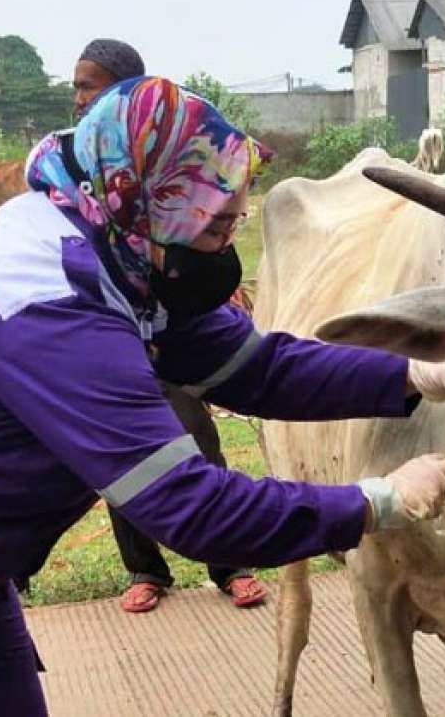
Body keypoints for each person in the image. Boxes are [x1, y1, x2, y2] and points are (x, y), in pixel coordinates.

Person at [0, 76, 445, 716]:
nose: (227, 247)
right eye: (216, 224)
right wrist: (377, 500)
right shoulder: (46, 301)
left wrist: (411, 375)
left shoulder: (126, 257)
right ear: (147, 204)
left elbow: (259, 368)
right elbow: (191, 506)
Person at [70, 38, 272, 612]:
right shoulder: (75, 173)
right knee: (119, 456)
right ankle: (146, 570)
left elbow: (214, 256)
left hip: (171, 334)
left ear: (125, 94)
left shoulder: (177, 169)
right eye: (77, 88)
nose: (81, 99)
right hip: (108, 341)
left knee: (200, 446)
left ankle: (229, 563)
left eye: (91, 87)